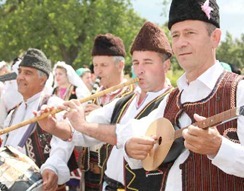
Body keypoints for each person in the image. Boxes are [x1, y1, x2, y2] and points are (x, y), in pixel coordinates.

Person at [119, 0, 244, 190]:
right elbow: (134, 133)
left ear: (215, 38)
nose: (180, 43)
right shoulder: (171, 98)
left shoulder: (239, 91)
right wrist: (131, 147)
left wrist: (219, 148)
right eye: (175, 35)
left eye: (190, 33)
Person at [37, 21, 173, 190]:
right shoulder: (126, 101)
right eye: (136, 63)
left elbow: (129, 133)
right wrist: (54, 126)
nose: (140, 70)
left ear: (165, 65)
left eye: (147, 62)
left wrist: (83, 124)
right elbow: (83, 131)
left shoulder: (171, 101)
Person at [0, 48, 73, 191]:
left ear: (42, 79)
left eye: (28, 73)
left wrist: (52, 167)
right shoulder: (13, 112)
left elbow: (64, 145)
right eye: (20, 71)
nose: (20, 77)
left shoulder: (54, 105)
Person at [80, 33, 134, 190]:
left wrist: (101, 114)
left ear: (120, 65)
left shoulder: (133, 94)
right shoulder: (93, 95)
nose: (97, 72)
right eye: (95, 65)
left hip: (117, 177)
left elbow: (131, 130)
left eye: (103, 65)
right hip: (90, 173)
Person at [52, 61, 90, 191]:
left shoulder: (76, 90)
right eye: (56, 74)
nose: (57, 77)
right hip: (57, 133)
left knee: (74, 165)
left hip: (74, 132)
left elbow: (85, 109)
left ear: (68, 75)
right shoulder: (53, 91)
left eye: (61, 74)